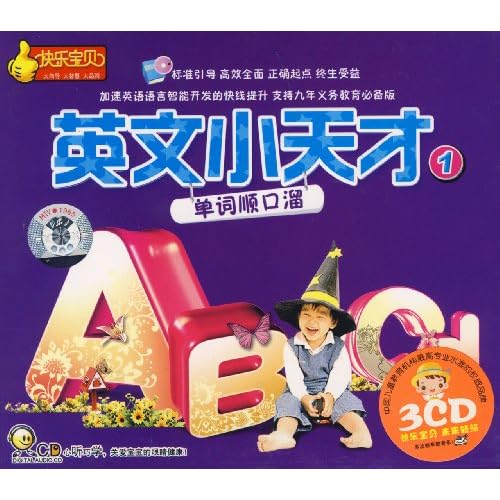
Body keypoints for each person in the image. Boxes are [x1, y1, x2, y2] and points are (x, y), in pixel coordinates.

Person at [257, 241, 372, 452]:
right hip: (301, 391)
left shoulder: (338, 347)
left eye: (320, 317)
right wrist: (303, 397)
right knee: (287, 403)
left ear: (333, 322)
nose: (312, 322)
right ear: (298, 317)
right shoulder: (291, 346)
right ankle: (284, 436)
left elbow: (340, 376)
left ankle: (361, 433)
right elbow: (294, 378)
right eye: (306, 315)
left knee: (347, 403)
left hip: (332, 390)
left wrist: (329, 396)